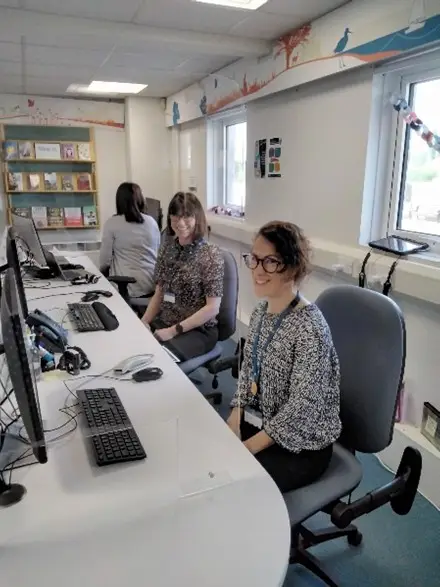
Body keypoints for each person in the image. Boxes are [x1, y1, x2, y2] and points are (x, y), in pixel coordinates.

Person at [227, 221, 341, 494]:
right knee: (215, 460)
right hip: (264, 423)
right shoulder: (260, 313)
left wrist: (247, 448)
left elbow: (302, 409)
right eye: (254, 259)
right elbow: (248, 374)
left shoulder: (310, 328)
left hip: (302, 446)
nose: (257, 270)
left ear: (291, 267)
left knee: (237, 487)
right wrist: (235, 415)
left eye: (270, 262)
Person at [142, 191, 224, 361]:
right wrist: (144, 321)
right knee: (137, 343)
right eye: (175, 216)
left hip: (198, 330)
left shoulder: (209, 254)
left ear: (197, 218)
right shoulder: (167, 248)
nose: (180, 222)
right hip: (166, 319)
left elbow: (212, 308)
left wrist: (172, 331)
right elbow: (160, 291)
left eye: (186, 216)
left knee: (159, 360)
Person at [99, 182, 160, 298]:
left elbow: (104, 261)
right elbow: (157, 252)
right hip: (150, 285)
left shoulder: (112, 223)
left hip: (126, 287)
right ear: (140, 199)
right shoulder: (152, 222)